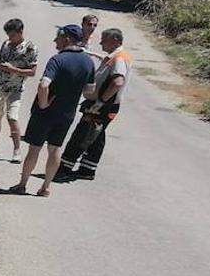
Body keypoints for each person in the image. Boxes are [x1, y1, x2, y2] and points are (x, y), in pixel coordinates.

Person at [9, 24, 96, 197]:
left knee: (34, 149)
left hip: (45, 113)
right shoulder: (88, 62)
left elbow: (44, 85)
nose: (55, 40)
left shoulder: (58, 60)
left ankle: (22, 184)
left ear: (67, 38)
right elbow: (89, 91)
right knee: (55, 149)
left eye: (58, 37)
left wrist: (43, 104)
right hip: (67, 114)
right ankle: (46, 187)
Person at [57, 28, 132, 181]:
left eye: (104, 39)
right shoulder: (115, 56)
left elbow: (117, 82)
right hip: (105, 105)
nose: (100, 42)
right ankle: (87, 169)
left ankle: (64, 168)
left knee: (82, 135)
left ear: (115, 41)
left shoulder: (119, 58)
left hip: (103, 106)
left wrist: (101, 102)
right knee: (96, 136)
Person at [0, 18, 37, 162]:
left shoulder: (30, 48)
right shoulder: (6, 44)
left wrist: (13, 69)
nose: (10, 38)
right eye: (8, 35)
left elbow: (32, 71)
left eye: (12, 35)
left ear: (20, 32)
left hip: (15, 88)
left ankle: (17, 150)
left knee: (12, 117)